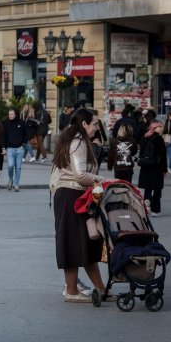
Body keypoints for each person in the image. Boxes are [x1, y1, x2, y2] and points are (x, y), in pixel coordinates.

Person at [50, 108, 108, 303]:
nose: (97, 127)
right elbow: (80, 175)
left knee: (86, 243)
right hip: (71, 196)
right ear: (84, 124)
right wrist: (104, 180)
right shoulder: (78, 142)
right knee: (74, 244)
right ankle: (72, 290)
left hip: (73, 195)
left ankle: (101, 289)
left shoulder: (74, 139)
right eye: (94, 124)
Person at [138, 120, 168, 216]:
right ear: (155, 128)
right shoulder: (158, 139)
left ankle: (147, 203)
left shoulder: (145, 137)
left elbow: (141, 153)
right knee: (157, 189)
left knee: (148, 188)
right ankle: (155, 210)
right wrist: (165, 169)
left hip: (146, 166)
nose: (161, 128)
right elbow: (163, 155)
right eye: (160, 126)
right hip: (157, 167)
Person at [2, 109, 29, 192]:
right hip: (10, 148)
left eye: (11, 114)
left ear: (15, 114)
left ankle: (16, 184)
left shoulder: (22, 123)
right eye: (9, 114)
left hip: (19, 149)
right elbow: (4, 136)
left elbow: (26, 134)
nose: (10, 116)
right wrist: (4, 148)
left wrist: (23, 144)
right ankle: (11, 180)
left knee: (18, 168)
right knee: (10, 165)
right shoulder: (6, 123)